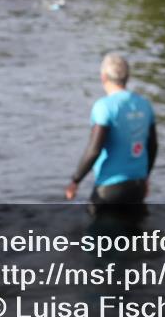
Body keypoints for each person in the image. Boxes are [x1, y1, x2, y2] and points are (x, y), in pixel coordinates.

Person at [65, 54, 158, 213]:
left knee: (98, 234)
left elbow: (94, 150)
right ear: (127, 77)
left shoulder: (104, 107)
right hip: (137, 186)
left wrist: (75, 180)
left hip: (110, 188)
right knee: (133, 234)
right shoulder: (144, 104)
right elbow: (153, 146)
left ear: (103, 77)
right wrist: (146, 177)